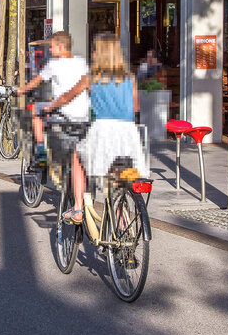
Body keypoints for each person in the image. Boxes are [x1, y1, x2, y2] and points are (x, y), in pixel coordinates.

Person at [42, 34, 144, 224]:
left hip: (103, 132)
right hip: (128, 136)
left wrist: (49, 107)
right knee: (117, 173)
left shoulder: (92, 78)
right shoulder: (130, 78)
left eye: (95, 50)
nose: (93, 54)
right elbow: (136, 108)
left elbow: (66, 97)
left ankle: (78, 208)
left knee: (77, 157)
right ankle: (121, 217)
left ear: (100, 54)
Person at [15, 31, 89, 162]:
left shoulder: (53, 64)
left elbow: (36, 81)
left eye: (52, 46)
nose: (49, 49)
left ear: (61, 47)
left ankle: (40, 147)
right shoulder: (82, 62)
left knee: (36, 109)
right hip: (83, 113)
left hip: (62, 110)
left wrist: (22, 90)